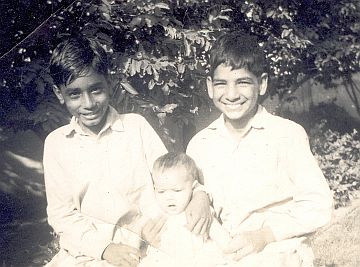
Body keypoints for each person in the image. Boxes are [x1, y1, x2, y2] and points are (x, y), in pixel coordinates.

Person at [43, 36, 211, 267]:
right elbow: (62, 216)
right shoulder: (57, 144)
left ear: (109, 84)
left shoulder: (136, 126)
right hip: (90, 252)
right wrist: (105, 249)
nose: (88, 103)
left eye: (96, 90)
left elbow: (172, 174)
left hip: (149, 244)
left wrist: (200, 195)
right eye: (75, 94)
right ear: (59, 93)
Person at [186, 31, 334, 266]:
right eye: (221, 84)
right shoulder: (200, 144)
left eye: (243, 82)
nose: (232, 94)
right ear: (209, 86)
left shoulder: (286, 135)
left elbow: (319, 205)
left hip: (276, 251)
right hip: (224, 253)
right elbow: (182, 195)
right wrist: (198, 194)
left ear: (262, 83)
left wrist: (265, 235)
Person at [134, 152, 237, 267]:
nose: (169, 197)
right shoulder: (154, 213)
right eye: (161, 191)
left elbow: (221, 237)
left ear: (192, 187)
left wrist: (232, 252)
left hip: (198, 260)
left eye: (177, 190)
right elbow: (135, 237)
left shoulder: (197, 212)